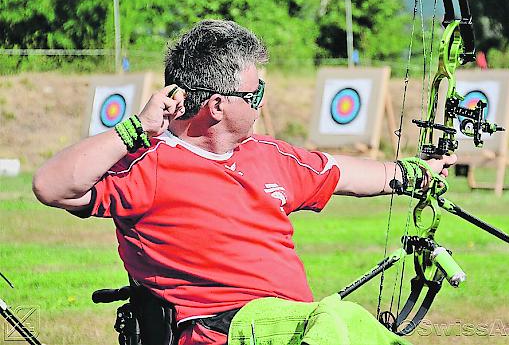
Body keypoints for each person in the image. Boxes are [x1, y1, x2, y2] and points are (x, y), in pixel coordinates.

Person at [33, 19, 456, 345]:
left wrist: (417, 175)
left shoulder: (268, 155)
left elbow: (343, 172)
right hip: (221, 329)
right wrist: (135, 128)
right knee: (339, 322)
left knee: (338, 325)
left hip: (290, 326)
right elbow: (51, 187)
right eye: (254, 95)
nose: (260, 103)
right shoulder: (146, 163)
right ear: (216, 105)